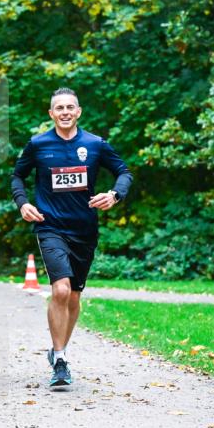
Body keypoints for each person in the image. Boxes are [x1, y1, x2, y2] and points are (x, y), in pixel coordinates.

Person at [11, 87, 133, 390]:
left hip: (84, 230)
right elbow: (17, 176)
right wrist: (23, 203)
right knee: (61, 290)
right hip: (50, 227)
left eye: (70, 108)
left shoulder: (95, 144)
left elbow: (124, 172)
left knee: (75, 296)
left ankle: (57, 349)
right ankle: (62, 360)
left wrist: (114, 195)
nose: (65, 112)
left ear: (78, 112)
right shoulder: (38, 145)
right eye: (59, 108)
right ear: (51, 114)